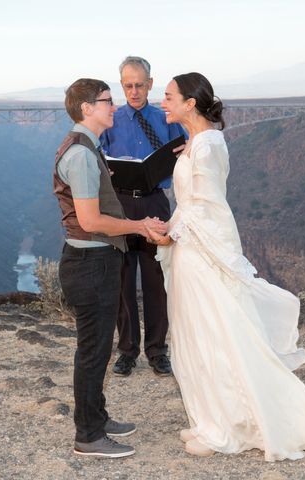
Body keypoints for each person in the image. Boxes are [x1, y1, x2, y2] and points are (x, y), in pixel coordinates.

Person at [147, 72, 305, 461]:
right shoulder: (194, 143)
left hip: (201, 254)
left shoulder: (206, 147)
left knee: (214, 336)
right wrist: (169, 229)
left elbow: (210, 210)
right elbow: (191, 207)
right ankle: (212, 418)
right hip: (189, 248)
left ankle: (228, 426)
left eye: (170, 96)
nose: (164, 102)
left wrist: (170, 235)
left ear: (190, 103)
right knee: (195, 335)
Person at [53, 78, 167, 458]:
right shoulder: (83, 154)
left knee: (97, 349)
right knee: (93, 352)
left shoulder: (86, 147)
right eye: (106, 101)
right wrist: (138, 225)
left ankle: (96, 419)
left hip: (91, 261)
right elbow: (90, 221)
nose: (113, 107)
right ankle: (88, 436)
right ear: (87, 108)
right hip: (91, 263)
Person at [100, 56, 186, 377]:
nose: (134, 91)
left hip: (155, 204)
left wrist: (184, 152)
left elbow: (184, 154)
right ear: (121, 85)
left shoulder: (166, 119)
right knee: (122, 281)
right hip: (120, 206)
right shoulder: (111, 119)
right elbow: (98, 157)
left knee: (155, 281)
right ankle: (126, 351)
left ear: (151, 83)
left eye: (140, 85)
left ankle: (157, 350)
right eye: (128, 85)